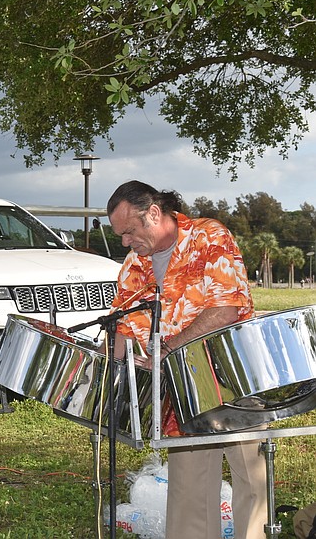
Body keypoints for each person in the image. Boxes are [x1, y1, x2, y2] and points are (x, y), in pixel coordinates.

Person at [107, 180, 267, 539]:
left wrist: (168, 347)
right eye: (120, 235)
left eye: (129, 231)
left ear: (153, 213)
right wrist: (105, 379)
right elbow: (124, 325)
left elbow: (226, 307)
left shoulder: (209, 236)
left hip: (230, 375)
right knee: (188, 490)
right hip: (180, 388)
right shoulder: (136, 263)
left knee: (251, 480)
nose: (125, 242)